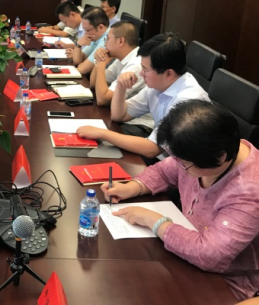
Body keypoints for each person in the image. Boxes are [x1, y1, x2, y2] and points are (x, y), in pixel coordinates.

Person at [101, 100, 259, 301]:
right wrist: (133, 187)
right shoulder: (205, 151)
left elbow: (210, 254)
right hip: (180, 249)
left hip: (223, 282)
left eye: (183, 164)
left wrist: (154, 221)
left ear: (220, 158)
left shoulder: (249, 191)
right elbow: (164, 171)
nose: (178, 165)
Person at [76, 33, 209, 158]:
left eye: (145, 70)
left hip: (184, 165)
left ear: (168, 73)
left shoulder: (186, 101)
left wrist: (102, 133)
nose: (141, 74)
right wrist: (121, 88)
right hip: (167, 158)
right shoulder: (159, 85)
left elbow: (152, 149)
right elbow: (119, 115)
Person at [90, 21, 154, 137]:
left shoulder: (136, 65)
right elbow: (94, 84)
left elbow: (102, 99)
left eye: (107, 39)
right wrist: (98, 61)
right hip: (122, 116)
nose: (105, 44)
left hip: (139, 124)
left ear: (121, 41)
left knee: (98, 141)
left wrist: (101, 65)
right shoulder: (122, 58)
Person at [59, 5, 110, 75]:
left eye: (87, 30)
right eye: (84, 30)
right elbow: (77, 61)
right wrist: (78, 45)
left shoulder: (107, 41)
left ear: (100, 27)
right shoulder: (96, 37)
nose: (85, 34)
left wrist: (82, 61)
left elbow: (82, 69)